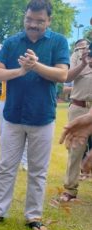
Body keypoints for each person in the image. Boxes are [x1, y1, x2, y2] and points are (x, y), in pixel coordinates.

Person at [0, 0, 69, 230]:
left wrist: (36, 65)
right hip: (13, 115)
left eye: (39, 21)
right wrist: (20, 71)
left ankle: (34, 216)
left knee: (38, 170)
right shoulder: (12, 42)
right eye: (29, 19)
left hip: (42, 116)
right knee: (7, 166)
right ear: (24, 17)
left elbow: (62, 73)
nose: (33, 24)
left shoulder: (58, 42)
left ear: (48, 21)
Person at [60, 38, 92, 201]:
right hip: (79, 107)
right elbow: (67, 77)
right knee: (75, 149)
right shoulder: (79, 54)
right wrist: (84, 62)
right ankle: (70, 190)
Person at [0, 81, 28, 171]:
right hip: (5, 99)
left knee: (26, 131)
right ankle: (5, 160)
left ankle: (25, 161)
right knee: (3, 133)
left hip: (24, 98)